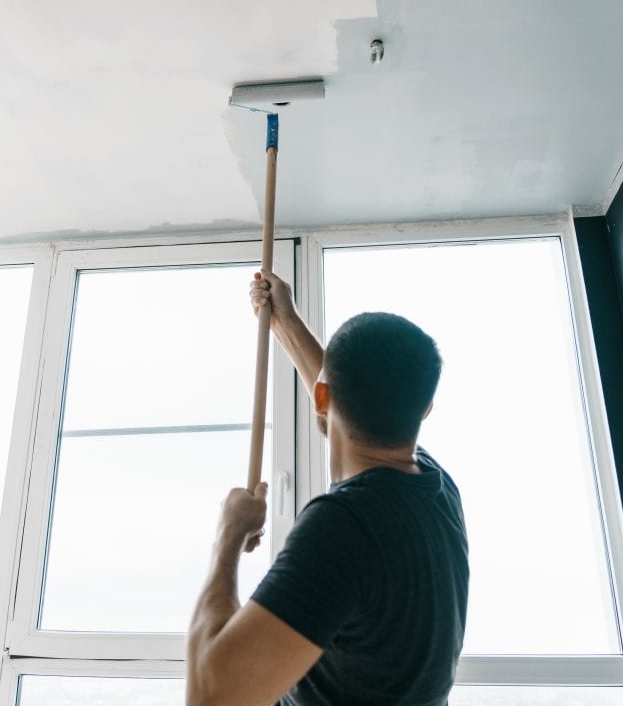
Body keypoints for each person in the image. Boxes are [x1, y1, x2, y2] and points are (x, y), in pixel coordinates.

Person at [186, 271, 470, 706]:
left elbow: (211, 696)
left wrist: (228, 536)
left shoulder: (344, 528)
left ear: (322, 395)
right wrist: (286, 322)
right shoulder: (436, 489)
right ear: (426, 407)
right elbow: (352, 413)